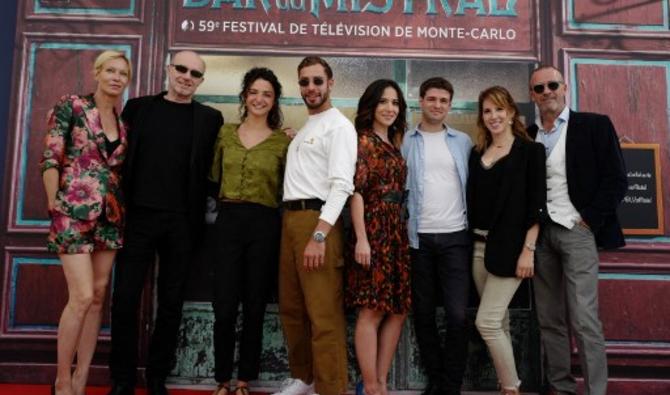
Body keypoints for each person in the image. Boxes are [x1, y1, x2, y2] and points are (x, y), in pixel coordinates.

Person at [107, 50, 223, 395]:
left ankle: (157, 377)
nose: (187, 76)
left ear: (201, 81)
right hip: (138, 216)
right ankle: (123, 379)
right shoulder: (138, 109)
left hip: (183, 223)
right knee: (125, 298)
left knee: (171, 303)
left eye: (195, 74)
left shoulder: (210, 119)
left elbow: (219, 165)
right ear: (168, 70)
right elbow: (115, 157)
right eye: (182, 69)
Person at [527, 66, 627, 395]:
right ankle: (562, 387)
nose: (547, 92)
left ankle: (596, 391)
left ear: (565, 87)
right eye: (539, 88)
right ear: (532, 95)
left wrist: (589, 219)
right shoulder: (528, 135)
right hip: (541, 236)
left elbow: (616, 178)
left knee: (584, 319)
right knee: (549, 318)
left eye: (552, 85)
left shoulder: (594, 125)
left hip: (577, 231)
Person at [40, 50, 131, 395]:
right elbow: (51, 155)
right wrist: (54, 203)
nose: (116, 77)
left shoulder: (123, 124)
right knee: (79, 296)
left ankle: (81, 380)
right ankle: (62, 381)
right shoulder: (73, 106)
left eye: (123, 73)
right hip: (71, 213)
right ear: (97, 72)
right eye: (110, 70)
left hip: (110, 217)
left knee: (96, 296)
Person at [273, 56, 357, 395]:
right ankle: (304, 378)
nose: (311, 88)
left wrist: (320, 235)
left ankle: (332, 388)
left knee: (323, 314)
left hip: (317, 222)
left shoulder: (339, 126)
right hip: (290, 220)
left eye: (317, 81)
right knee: (293, 308)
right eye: (305, 82)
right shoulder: (308, 126)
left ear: (331, 83)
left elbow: (341, 186)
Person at [209, 67, 290, 395]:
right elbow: (212, 178)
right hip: (228, 220)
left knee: (255, 305)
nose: (259, 99)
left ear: (274, 101)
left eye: (267, 94)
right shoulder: (225, 134)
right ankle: (221, 380)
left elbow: (288, 189)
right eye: (254, 92)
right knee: (224, 306)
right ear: (244, 96)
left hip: (265, 223)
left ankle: (244, 381)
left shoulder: (283, 142)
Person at [466, 86, 546, 395]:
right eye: (487, 111)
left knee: (485, 323)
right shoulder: (476, 154)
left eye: (499, 109)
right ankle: (506, 383)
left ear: (511, 112)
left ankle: (511, 388)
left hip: (512, 250)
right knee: (498, 323)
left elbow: (537, 206)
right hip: (477, 249)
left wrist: (528, 251)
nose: (493, 116)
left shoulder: (530, 151)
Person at [401, 77, 472, 395]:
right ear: (420, 101)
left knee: (458, 315)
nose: (437, 105)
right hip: (418, 240)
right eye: (432, 99)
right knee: (424, 314)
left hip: (456, 237)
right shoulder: (406, 141)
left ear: (450, 104)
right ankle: (437, 381)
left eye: (444, 100)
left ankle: (451, 385)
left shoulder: (463, 141)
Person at [347, 79, 410, 395]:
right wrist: (362, 239)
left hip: (396, 232)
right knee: (371, 309)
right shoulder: (363, 142)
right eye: (384, 102)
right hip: (373, 229)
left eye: (395, 103)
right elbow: (356, 192)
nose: (390, 108)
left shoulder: (394, 142)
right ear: (371, 106)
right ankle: (370, 386)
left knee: (396, 309)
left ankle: (381, 382)